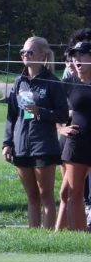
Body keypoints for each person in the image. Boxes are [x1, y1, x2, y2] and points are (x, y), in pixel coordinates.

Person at [2, 35, 68, 229]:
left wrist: (42, 112)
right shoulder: (18, 82)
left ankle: (46, 236)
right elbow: (11, 115)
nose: (25, 55)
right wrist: (7, 143)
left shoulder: (53, 82)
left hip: (43, 145)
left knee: (45, 195)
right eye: (23, 52)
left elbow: (63, 115)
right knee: (31, 197)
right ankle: (34, 235)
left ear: (43, 54)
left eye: (30, 52)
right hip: (21, 145)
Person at [56, 39, 91, 231]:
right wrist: (61, 128)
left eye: (81, 55)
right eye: (74, 56)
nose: (77, 59)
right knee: (74, 193)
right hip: (76, 142)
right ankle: (80, 236)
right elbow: (56, 110)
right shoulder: (68, 83)